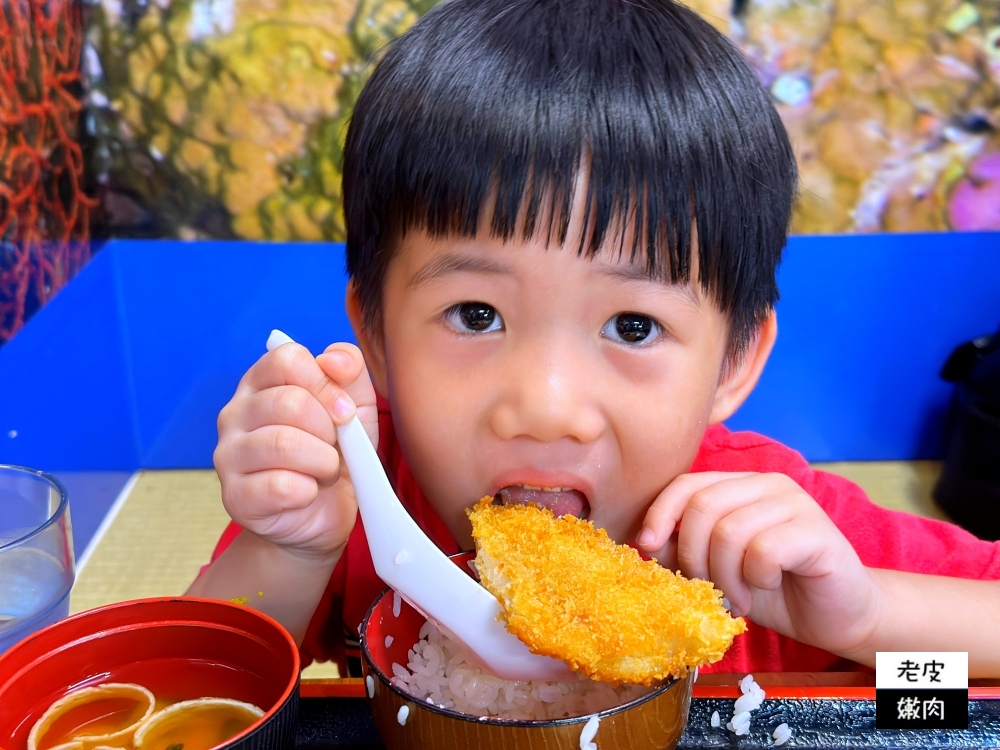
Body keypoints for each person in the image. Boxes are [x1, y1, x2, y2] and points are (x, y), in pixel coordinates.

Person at [187, 0, 1000, 678]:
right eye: (476, 315)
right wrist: (285, 554)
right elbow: (186, 695)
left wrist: (865, 621)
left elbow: (943, 689)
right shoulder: (356, 498)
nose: (546, 408)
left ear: (734, 362)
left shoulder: (770, 540)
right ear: (377, 341)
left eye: (633, 326)